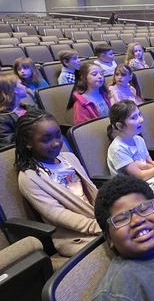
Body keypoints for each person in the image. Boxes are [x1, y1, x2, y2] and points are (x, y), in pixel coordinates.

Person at [14, 109, 101, 256]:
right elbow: (56, 214)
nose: (55, 143)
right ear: (28, 143)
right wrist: (98, 227)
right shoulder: (30, 177)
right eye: (46, 140)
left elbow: (91, 191)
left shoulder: (69, 158)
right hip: (75, 236)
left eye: (58, 135)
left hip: (97, 218)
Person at [107, 100, 154, 201]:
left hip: (150, 179)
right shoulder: (118, 148)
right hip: (132, 190)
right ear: (119, 126)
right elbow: (141, 176)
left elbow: (148, 164)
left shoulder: (138, 139)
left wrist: (145, 167)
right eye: (134, 118)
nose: (141, 120)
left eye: (139, 115)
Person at [0, 73, 30, 144]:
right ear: (13, 89)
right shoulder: (0, 120)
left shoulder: (28, 108)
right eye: (21, 84)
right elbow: (8, 143)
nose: (24, 86)